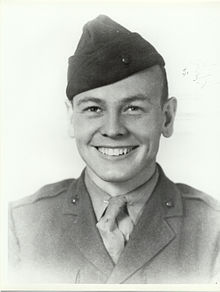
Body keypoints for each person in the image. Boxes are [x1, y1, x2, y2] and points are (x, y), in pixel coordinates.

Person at [8, 15, 220, 284]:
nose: (113, 129)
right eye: (93, 109)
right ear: (72, 118)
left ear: (167, 117)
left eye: (133, 108)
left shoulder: (213, 230)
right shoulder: (21, 225)